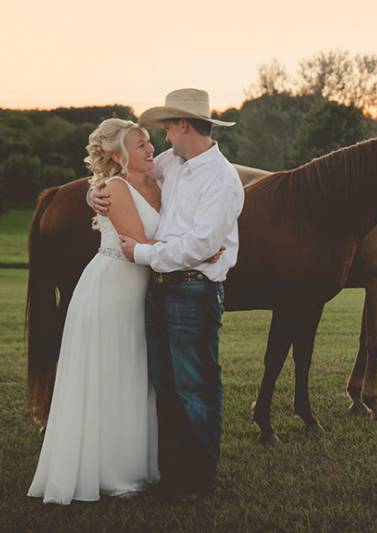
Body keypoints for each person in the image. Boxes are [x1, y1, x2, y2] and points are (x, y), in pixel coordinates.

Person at [90, 88, 244, 499]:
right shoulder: (174, 163)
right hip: (159, 290)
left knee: (196, 388)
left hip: (193, 291)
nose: (162, 139)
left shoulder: (222, 179)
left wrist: (141, 252)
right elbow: (128, 175)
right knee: (166, 387)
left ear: (183, 125)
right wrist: (95, 193)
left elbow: (197, 246)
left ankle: (196, 481)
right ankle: (171, 473)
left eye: (166, 129)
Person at [28, 118, 161, 504]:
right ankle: (109, 471)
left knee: (135, 377)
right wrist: (200, 248)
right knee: (111, 377)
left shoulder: (157, 178)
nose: (150, 149)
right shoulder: (114, 187)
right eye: (140, 145)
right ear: (119, 156)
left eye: (150, 141)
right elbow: (139, 242)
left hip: (138, 291)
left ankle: (136, 463)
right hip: (112, 290)